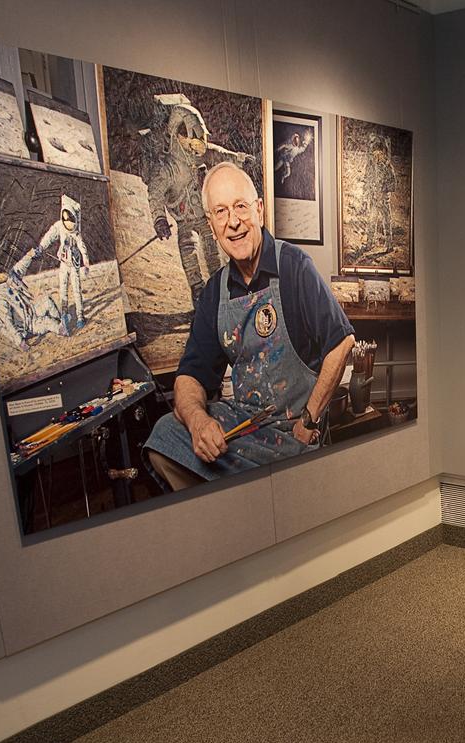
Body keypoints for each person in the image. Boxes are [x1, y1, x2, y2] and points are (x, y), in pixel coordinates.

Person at [143, 163, 355, 488]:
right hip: (244, 429)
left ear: (258, 210)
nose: (233, 222)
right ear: (211, 227)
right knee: (165, 434)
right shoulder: (215, 292)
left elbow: (341, 343)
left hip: (291, 432)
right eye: (221, 212)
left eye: (240, 206)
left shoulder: (294, 266)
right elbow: (190, 377)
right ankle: (230, 509)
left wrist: (310, 420)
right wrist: (199, 422)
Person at [143, 95, 255, 308]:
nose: (198, 144)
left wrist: (239, 159)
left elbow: (219, 154)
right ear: (178, 135)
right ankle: (198, 292)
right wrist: (159, 219)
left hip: (205, 217)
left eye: (199, 138)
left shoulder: (200, 154)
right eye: (192, 137)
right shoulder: (167, 168)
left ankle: (221, 291)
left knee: (214, 252)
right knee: (189, 252)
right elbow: (155, 194)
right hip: (185, 220)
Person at [11, 194, 89, 334]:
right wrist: (41, 247)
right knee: (63, 289)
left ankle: (80, 316)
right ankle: (63, 315)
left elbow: (83, 249)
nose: (67, 223)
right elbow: (50, 235)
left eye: (70, 220)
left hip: (74, 266)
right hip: (64, 265)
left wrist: (86, 265)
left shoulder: (76, 234)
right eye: (65, 219)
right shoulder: (60, 226)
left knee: (76, 290)